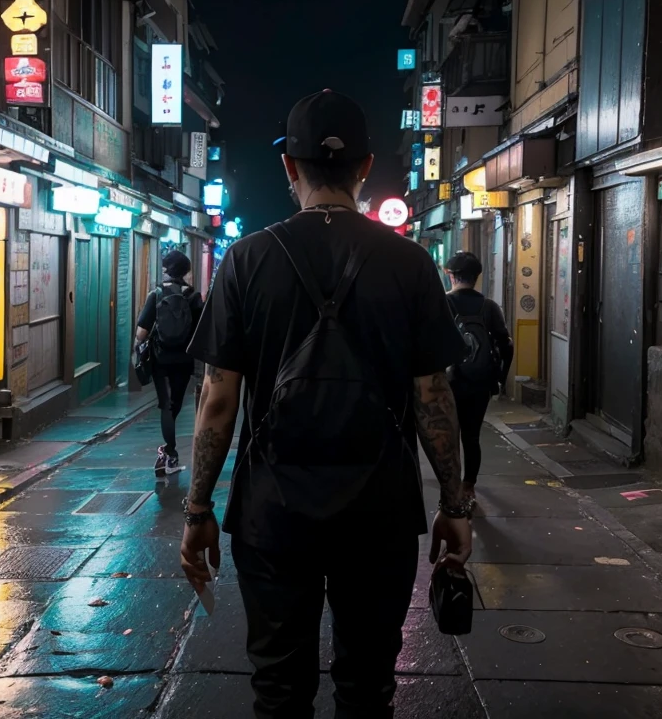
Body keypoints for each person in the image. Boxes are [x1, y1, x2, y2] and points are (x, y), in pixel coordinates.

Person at [179, 89, 473, 719]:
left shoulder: (246, 260)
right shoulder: (412, 262)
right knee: (368, 688)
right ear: (366, 167)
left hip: (272, 513)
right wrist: (454, 504)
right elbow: (432, 395)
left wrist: (199, 506)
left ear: (290, 167)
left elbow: (218, 398)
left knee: (279, 689)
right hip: (380, 512)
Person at [444, 251, 513, 508]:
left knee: (448, 438)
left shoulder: (443, 304)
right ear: (476, 278)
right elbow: (506, 346)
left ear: (450, 276)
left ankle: (450, 489)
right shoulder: (489, 307)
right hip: (479, 383)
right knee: (471, 437)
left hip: (448, 384)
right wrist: (499, 380)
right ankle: (469, 487)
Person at [134, 249, 203, 477]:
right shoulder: (193, 296)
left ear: (166, 269)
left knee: (165, 404)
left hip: (160, 359)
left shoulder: (156, 294)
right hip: (183, 359)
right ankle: (168, 454)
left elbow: (141, 334)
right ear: (186, 272)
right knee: (176, 403)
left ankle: (169, 455)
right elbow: (200, 332)